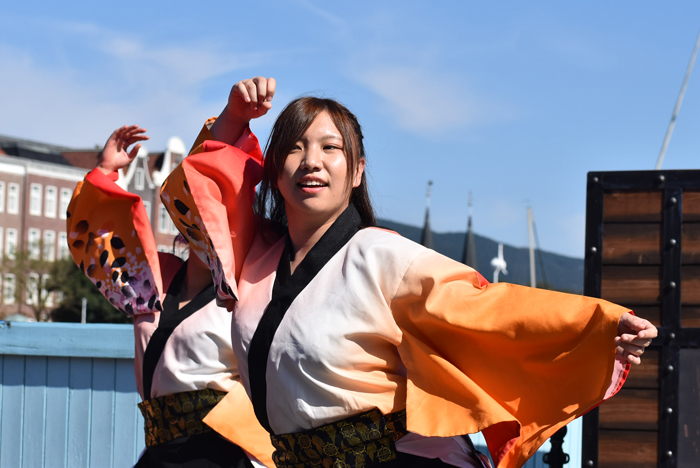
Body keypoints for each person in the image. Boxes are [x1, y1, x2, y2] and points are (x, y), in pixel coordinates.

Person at [160, 76, 657, 468]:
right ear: (273, 170)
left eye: (331, 148)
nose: (312, 160)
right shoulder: (251, 260)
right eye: (295, 146)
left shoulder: (381, 256)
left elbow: (487, 308)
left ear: (355, 172)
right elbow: (204, 201)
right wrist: (232, 118)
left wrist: (598, 327)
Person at [66, 124, 274, 467]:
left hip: (223, 455)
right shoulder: (152, 277)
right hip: (160, 453)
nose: (212, 219)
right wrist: (106, 171)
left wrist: (236, 116)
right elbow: (98, 233)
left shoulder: (250, 290)